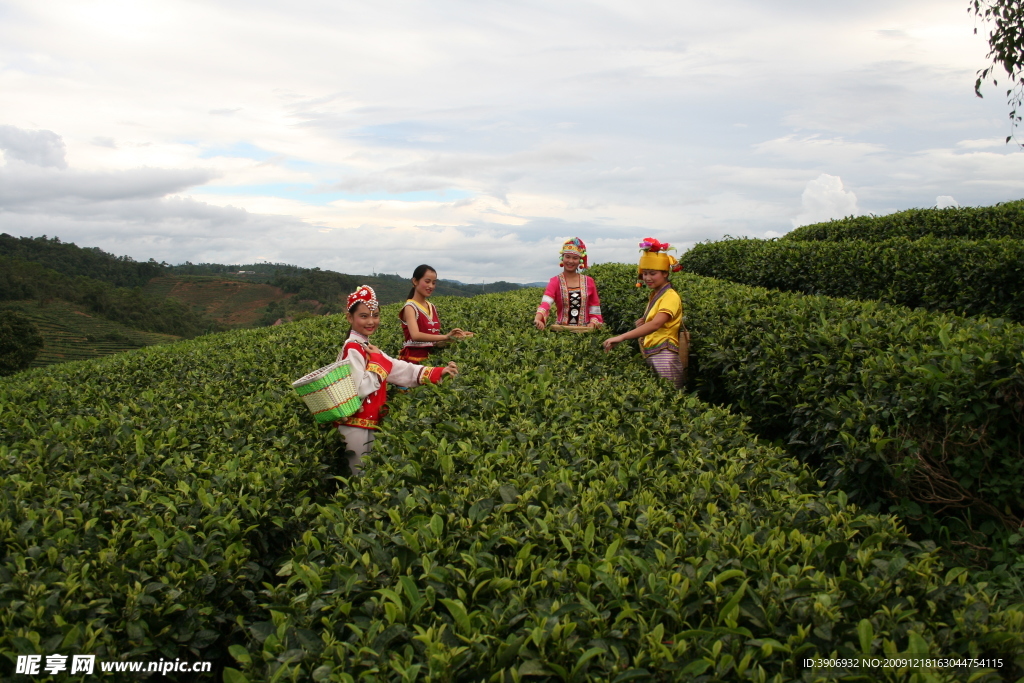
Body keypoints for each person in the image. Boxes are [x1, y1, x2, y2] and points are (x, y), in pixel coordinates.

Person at [335, 285, 458, 475]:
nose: (371, 321)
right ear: (350, 318)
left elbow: (399, 369)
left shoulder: (366, 346)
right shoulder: (352, 348)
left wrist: (437, 372)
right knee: (358, 478)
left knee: (368, 476)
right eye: (364, 316)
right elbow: (358, 388)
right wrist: (380, 363)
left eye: (375, 315)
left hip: (368, 422)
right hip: (354, 425)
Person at [602, 238, 685, 389]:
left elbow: (656, 324)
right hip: (653, 353)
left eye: (652, 273)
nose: (647, 278)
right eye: (645, 273)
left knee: (671, 397)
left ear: (665, 273)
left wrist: (622, 337)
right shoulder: (656, 295)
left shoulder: (670, 296)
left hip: (664, 355)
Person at [399, 264, 473, 364]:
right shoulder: (410, 307)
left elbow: (434, 340)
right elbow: (415, 335)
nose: (431, 286)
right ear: (415, 281)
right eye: (427, 281)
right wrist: (446, 337)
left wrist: (457, 337)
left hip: (432, 360)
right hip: (413, 362)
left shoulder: (432, 307)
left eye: (433, 283)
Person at [533, 237, 603, 330]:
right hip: (561, 332)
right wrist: (538, 319)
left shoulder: (589, 281)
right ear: (562, 258)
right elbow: (546, 302)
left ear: (580, 260)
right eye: (567, 257)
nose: (570, 261)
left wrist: (593, 323)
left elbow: (594, 307)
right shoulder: (555, 281)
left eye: (575, 258)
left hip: (584, 333)